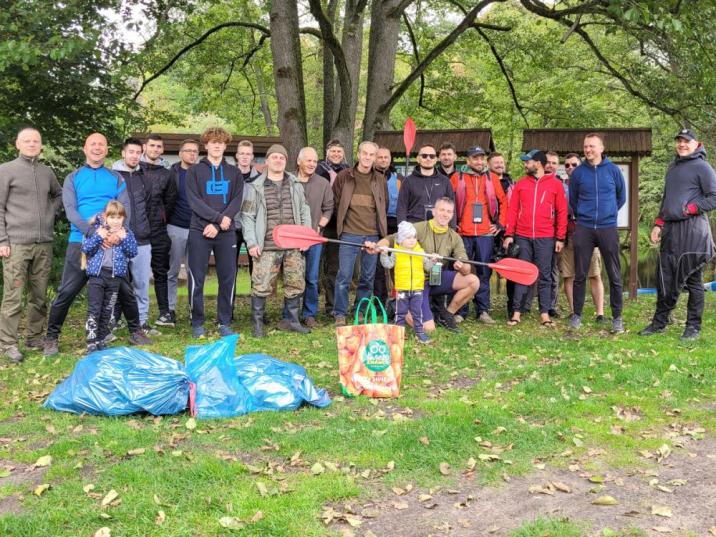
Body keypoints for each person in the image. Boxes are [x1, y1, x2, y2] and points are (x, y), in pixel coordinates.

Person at [43, 133, 150, 356]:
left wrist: (115, 234)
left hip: (113, 244)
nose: (97, 148)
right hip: (80, 242)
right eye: (93, 144)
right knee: (67, 291)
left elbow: (125, 208)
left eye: (101, 144)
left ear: (107, 149)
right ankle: (51, 338)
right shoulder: (73, 177)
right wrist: (95, 234)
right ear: (85, 148)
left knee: (125, 290)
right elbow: (71, 211)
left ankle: (135, 330)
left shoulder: (115, 178)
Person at [639, 128, 716, 341]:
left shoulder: (703, 167)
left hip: (692, 231)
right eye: (679, 141)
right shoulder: (673, 167)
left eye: (686, 141)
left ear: (696, 143)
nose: (682, 145)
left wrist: (689, 209)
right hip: (671, 231)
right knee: (664, 278)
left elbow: (714, 197)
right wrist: (657, 224)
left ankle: (693, 327)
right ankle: (659, 323)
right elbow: (667, 199)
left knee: (693, 280)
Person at [0, 128, 62, 363]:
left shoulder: (46, 172)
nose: (31, 144)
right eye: (27, 141)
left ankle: (34, 337)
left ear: (41, 145)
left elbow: (59, 195)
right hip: (15, 244)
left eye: (36, 141)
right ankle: (8, 343)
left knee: (39, 295)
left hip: (43, 243)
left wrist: (49, 213)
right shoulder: (5, 171)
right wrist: (2, 240)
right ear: (17, 143)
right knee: (13, 296)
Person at [370, 197, 477, 333]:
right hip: (416, 281)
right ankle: (398, 304)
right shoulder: (419, 228)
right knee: (428, 329)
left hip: (436, 278)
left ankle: (446, 315)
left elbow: (467, 268)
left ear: (452, 214)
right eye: (442, 210)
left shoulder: (454, 237)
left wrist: (462, 266)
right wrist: (378, 246)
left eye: (449, 211)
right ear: (433, 211)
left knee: (473, 281)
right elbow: (392, 238)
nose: (445, 214)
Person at [241, 144, 312, 337]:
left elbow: (304, 210)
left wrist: (306, 236)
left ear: (286, 161)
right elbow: (247, 216)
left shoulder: (295, 184)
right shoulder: (255, 186)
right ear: (267, 161)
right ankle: (257, 324)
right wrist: (252, 242)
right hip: (266, 245)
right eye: (274, 157)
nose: (278, 160)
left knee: (295, 282)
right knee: (261, 284)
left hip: (293, 244)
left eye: (282, 157)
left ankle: (293, 321)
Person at [185, 127, 243, 338]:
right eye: (213, 142)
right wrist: (217, 220)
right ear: (206, 145)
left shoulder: (234, 173)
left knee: (227, 277)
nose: (217, 145)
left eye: (221, 142)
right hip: (199, 230)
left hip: (226, 232)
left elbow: (236, 200)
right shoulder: (194, 171)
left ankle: (224, 321)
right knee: (196, 278)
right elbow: (194, 201)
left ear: (225, 146)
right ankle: (197, 322)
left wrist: (219, 226)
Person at [568, 133, 626, 333]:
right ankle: (576, 315)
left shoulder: (613, 171)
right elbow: (573, 200)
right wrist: (586, 215)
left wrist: (607, 214)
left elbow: (621, 197)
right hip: (584, 227)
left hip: (607, 227)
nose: (588, 150)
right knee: (580, 274)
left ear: (601, 148)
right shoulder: (578, 173)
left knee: (614, 275)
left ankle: (617, 318)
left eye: (592, 146)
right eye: (585, 146)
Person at [503, 150, 567, 327]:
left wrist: (560, 237)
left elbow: (562, 212)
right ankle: (516, 312)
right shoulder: (521, 184)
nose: (525, 165)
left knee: (545, 276)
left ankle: (545, 314)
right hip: (522, 236)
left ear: (538, 163)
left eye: (528, 162)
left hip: (546, 236)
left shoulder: (555, 185)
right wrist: (509, 234)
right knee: (522, 274)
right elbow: (513, 210)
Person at [332, 141, 388, 326]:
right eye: (365, 153)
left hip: (371, 234)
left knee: (367, 277)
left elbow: (383, 204)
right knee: (344, 276)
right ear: (358, 154)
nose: (367, 157)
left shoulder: (379, 179)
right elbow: (336, 202)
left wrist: (379, 232)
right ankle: (340, 312)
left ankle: (360, 310)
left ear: (375, 157)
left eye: (372, 155)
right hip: (349, 233)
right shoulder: (344, 176)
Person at [450, 146, 507, 324]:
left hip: (485, 234)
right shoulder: (457, 177)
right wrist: (453, 224)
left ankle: (483, 310)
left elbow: (504, 201)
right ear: (468, 161)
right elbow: (447, 200)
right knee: (462, 270)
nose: (479, 162)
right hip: (462, 233)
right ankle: (460, 310)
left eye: (482, 158)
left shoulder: (492, 178)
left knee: (483, 271)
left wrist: (499, 224)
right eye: (475, 158)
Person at [278, 146, 333, 329]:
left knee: (311, 277)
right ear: (299, 161)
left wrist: (319, 226)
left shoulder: (322, 183)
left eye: (315, 161)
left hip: (314, 239)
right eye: (308, 160)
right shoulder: (288, 181)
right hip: (292, 239)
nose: (312, 164)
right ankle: (288, 315)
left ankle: (309, 314)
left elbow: (328, 208)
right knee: (292, 277)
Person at [81, 201, 138, 353]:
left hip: (115, 278)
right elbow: (86, 248)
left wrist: (124, 238)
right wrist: (99, 237)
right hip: (97, 276)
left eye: (119, 217)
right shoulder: (96, 230)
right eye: (112, 217)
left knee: (107, 309)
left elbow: (133, 252)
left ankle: (101, 339)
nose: (116, 221)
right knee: (95, 308)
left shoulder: (127, 233)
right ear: (105, 217)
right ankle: (91, 341)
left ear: (124, 218)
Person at [111, 138, 154, 331]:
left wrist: (147, 228)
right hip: (118, 239)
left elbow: (152, 205)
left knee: (142, 283)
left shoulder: (145, 176)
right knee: (115, 282)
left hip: (142, 239)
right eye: (131, 152)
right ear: (123, 153)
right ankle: (112, 320)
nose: (135, 156)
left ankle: (141, 321)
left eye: (138, 152)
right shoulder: (112, 177)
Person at [558, 152, 605, 321]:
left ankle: (600, 313)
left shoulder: (591, 182)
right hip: (568, 235)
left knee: (594, 274)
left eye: (574, 164)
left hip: (588, 234)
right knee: (569, 275)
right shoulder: (561, 186)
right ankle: (573, 311)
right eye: (567, 165)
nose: (570, 167)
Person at [139, 134, 178, 330]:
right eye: (151, 145)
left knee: (160, 270)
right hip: (136, 229)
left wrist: (161, 217)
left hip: (158, 229)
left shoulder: (167, 173)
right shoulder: (134, 169)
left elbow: (171, 201)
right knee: (131, 273)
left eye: (158, 146)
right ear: (145, 147)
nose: (155, 149)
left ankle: (165, 313)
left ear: (162, 150)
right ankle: (126, 314)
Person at [379, 221, 436, 344]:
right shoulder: (396, 252)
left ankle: (420, 334)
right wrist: (384, 254)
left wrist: (433, 261)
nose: (412, 240)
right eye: (408, 238)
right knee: (400, 313)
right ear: (400, 239)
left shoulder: (420, 252)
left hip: (417, 289)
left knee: (417, 313)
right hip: (402, 289)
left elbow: (428, 267)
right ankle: (398, 334)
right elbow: (387, 264)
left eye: (414, 237)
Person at [166, 139, 200, 323]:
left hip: (197, 228)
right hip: (175, 227)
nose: (192, 154)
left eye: (195, 151)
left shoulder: (201, 173)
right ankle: (170, 310)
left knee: (193, 271)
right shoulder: (171, 173)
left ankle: (193, 309)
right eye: (188, 151)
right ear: (180, 154)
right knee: (172, 270)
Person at [316, 139, 350, 316]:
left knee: (334, 267)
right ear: (327, 152)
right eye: (333, 151)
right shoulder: (319, 169)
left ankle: (331, 305)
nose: (336, 154)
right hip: (319, 223)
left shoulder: (348, 171)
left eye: (339, 151)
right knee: (313, 266)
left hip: (338, 225)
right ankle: (310, 308)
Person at [487, 152, 522, 318]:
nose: (500, 165)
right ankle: (483, 307)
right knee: (484, 270)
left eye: (501, 162)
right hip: (489, 232)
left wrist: (509, 231)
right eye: (496, 163)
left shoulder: (512, 184)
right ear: (489, 165)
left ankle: (512, 306)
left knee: (511, 271)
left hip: (507, 233)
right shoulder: (485, 182)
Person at [397, 144, 454, 225]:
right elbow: (401, 208)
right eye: (424, 156)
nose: (428, 158)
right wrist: (402, 228)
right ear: (418, 159)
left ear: (435, 159)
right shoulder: (408, 181)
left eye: (432, 156)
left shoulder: (445, 181)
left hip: (439, 227)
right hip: (414, 228)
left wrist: (452, 228)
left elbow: (452, 206)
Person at [373, 147, 402, 304]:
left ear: (390, 159)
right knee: (378, 268)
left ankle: (397, 301)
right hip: (376, 226)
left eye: (386, 157)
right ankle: (379, 302)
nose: (383, 160)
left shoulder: (399, 179)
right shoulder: (371, 177)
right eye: (380, 157)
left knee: (395, 266)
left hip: (394, 226)